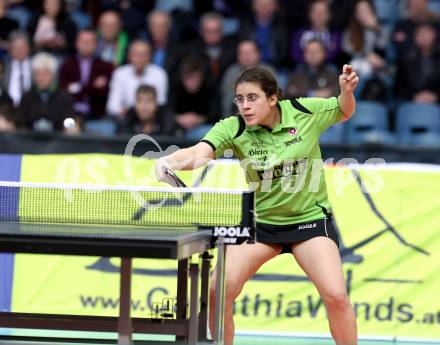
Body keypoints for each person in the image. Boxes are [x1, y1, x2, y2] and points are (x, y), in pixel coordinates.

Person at [154, 65, 359, 345]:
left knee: (336, 296)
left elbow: (343, 110)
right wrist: (170, 162)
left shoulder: (304, 111)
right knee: (217, 291)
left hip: (309, 222)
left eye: (252, 98)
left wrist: (346, 92)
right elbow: (200, 154)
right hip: (260, 226)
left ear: (272, 98)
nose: (245, 106)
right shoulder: (234, 128)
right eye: (239, 99)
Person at [59, 29, 114, 119]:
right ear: (76, 43)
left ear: (96, 45)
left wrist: (77, 88)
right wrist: (92, 87)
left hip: (97, 115)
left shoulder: (106, 67)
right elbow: (64, 91)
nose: (85, 45)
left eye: (89, 42)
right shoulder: (66, 65)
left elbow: (103, 93)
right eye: (83, 41)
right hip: (71, 114)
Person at [106, 40, 168, 118]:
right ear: (129, 56)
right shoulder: (119, 73)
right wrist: (133, 112)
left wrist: (136, 111)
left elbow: (160, 103)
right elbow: (112, 106)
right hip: (126, 119)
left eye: (143, 54)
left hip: (152, 119)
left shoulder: (160, 74)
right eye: (136, 54)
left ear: (150, 56)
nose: (139, 58)